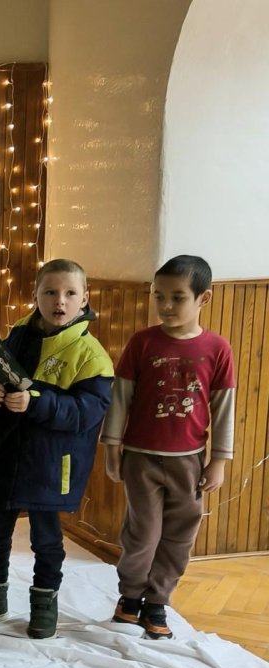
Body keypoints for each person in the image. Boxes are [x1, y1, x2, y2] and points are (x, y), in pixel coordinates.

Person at [0, 259, 114, 639]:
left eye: (70, 293)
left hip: (51, 461)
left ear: (84, 298)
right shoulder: (18, 335)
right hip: (7, 451)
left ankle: (44, 604)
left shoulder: (91, 355)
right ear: (36, 295)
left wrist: (37, 402)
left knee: (46, 538)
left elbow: (87, 412)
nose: (60, 301)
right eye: (50, 292)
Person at [101, 255, 235, 640]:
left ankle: (158, 600)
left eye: (177, 297)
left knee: (180, 535)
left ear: (203, 298)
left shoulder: (217, 348)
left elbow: (224, 407)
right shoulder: (142, 343)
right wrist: (112, 448)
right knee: (141, 534)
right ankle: (130, 596)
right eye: (159, 296)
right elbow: (121, 398)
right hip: (140, 459)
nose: (166, 305)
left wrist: (219, 460)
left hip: (189, 462)